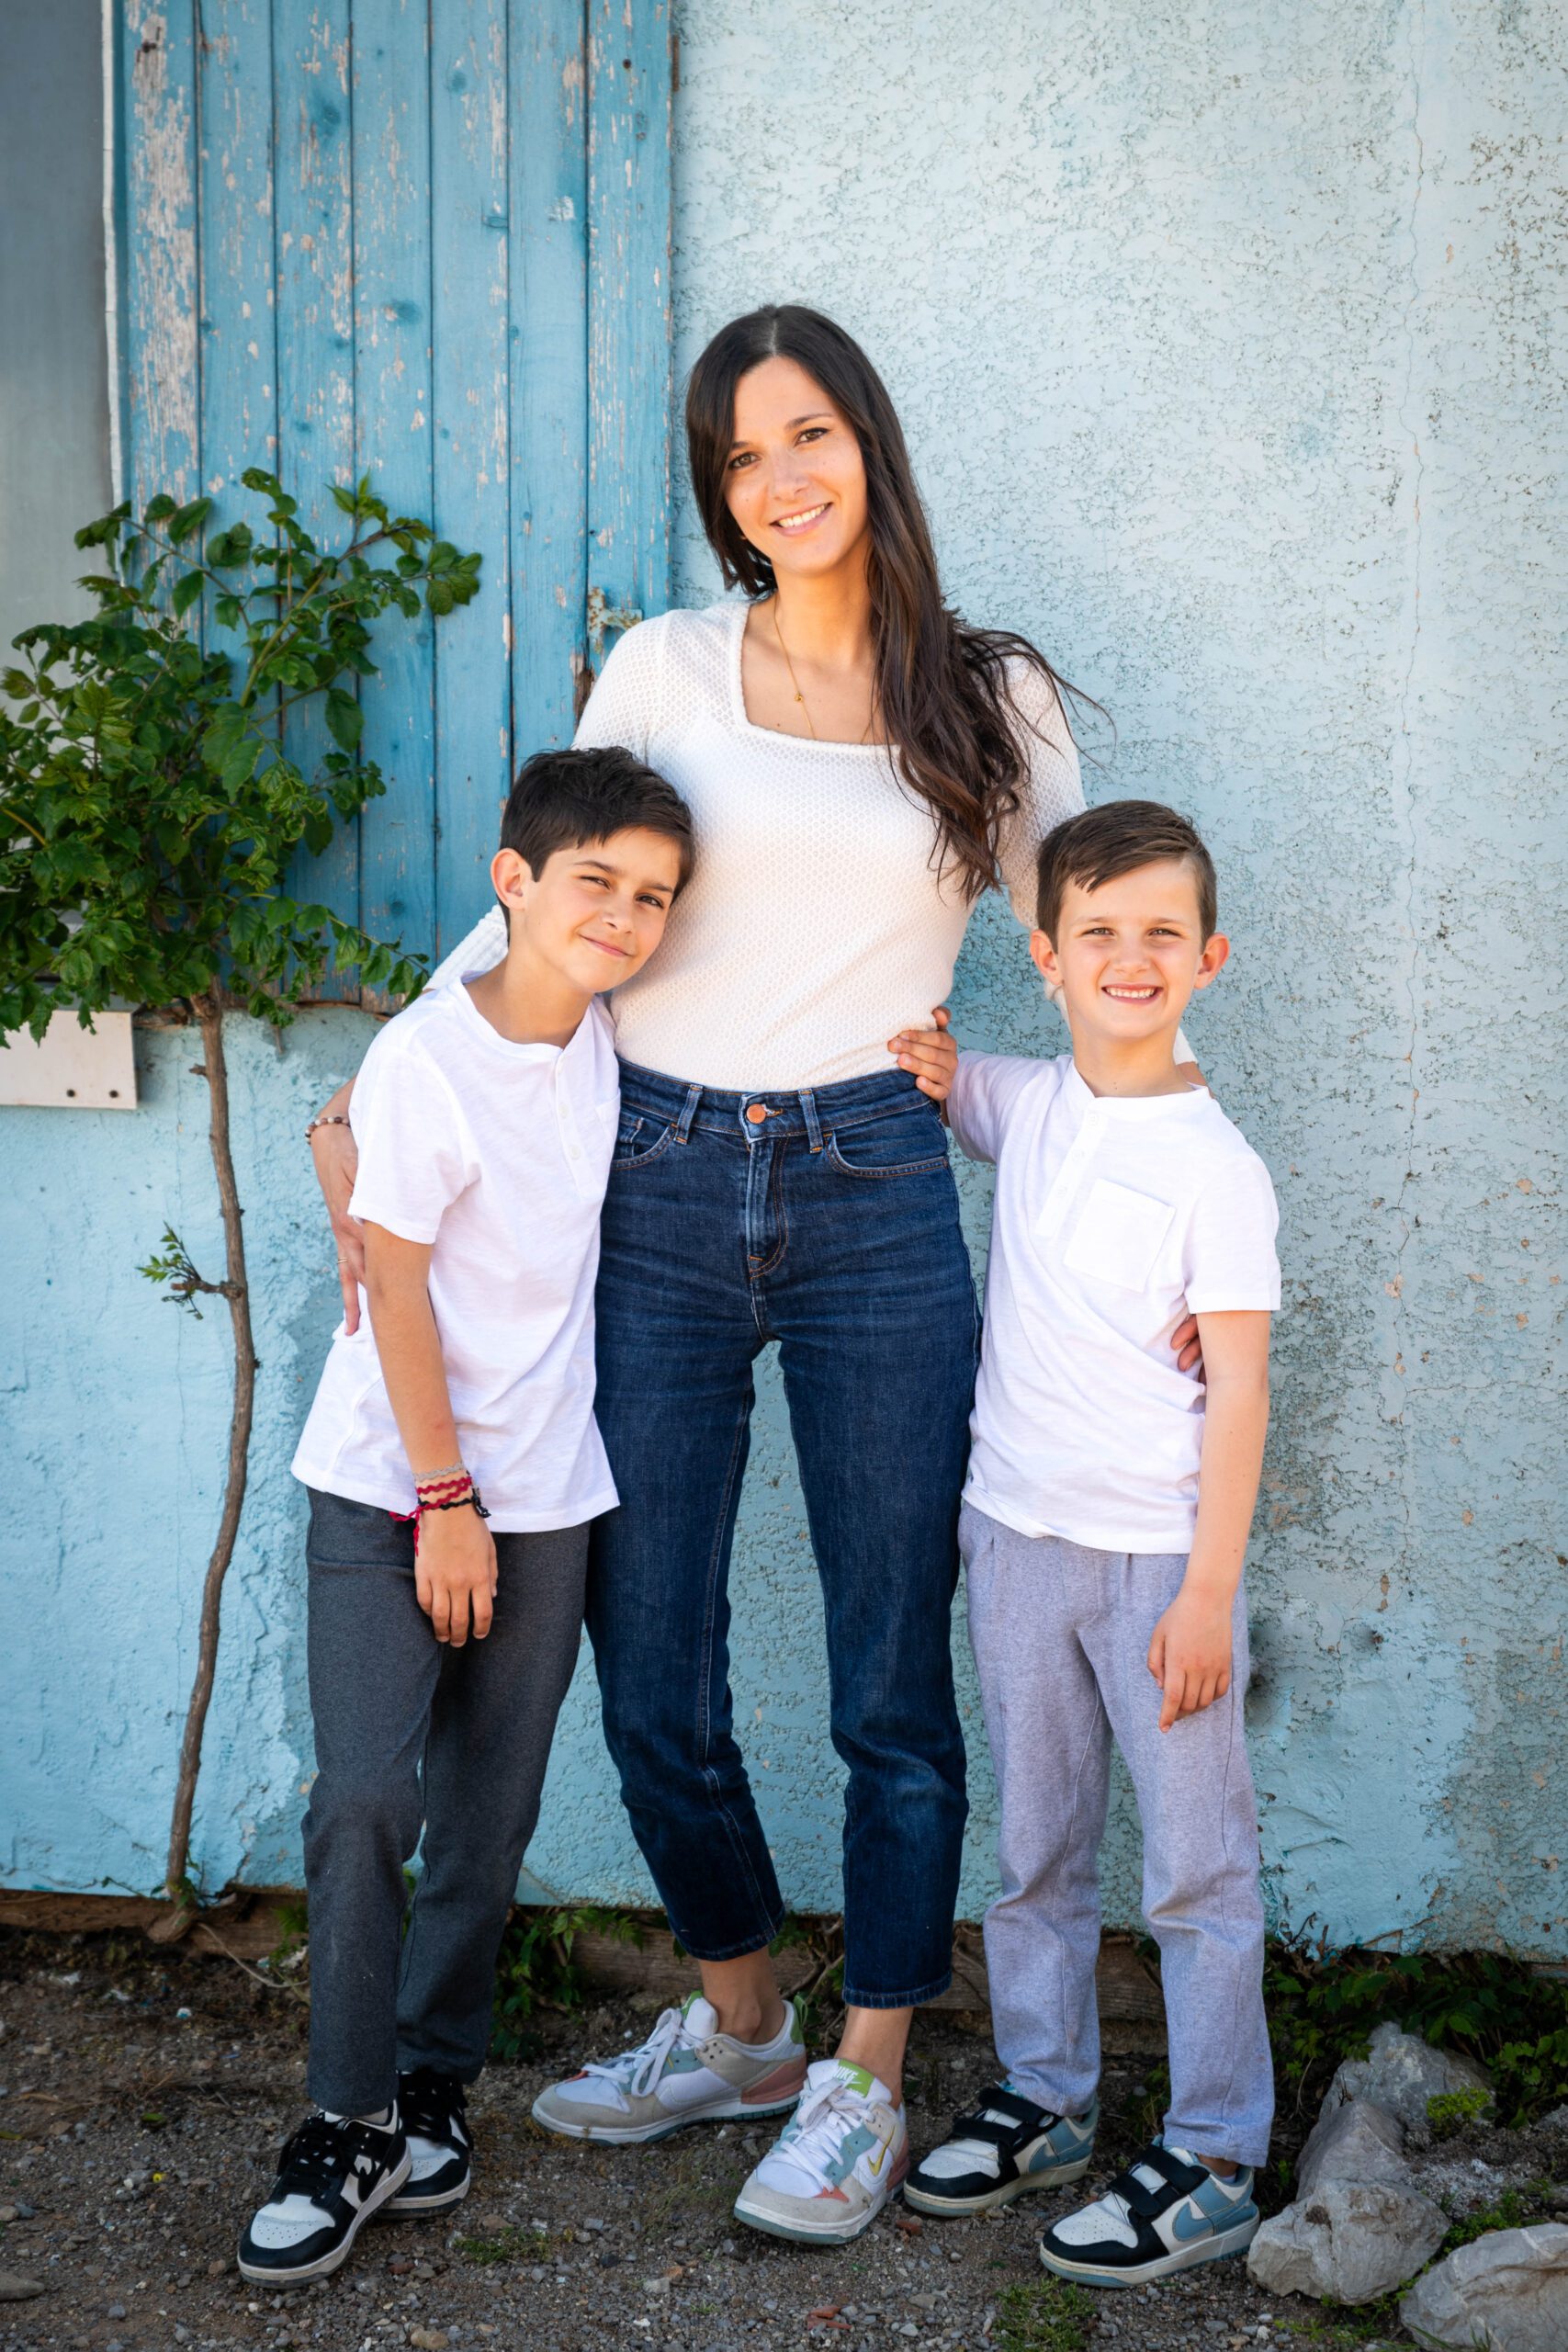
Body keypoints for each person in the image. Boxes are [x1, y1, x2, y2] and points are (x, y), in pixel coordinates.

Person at [310, 305, 1203, 2249]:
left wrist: (1129, 1168)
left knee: (892, 1666)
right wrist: (389, 1083)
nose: (780, 477)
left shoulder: (989, 694)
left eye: (808, 434)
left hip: (878, 1182)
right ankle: (739, 2023)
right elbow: (534, 898)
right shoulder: (665, 663)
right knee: (653, 1665)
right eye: (738, 453)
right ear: (717, 492)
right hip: (652, 1173)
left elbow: (1088, 930)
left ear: (865, 442)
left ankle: (865, 2076)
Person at [238, 748, 694, 2286]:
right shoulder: (439, 1052)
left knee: (488, 1818)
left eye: (653, 898)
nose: (625, 918)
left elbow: (354, 1146)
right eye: (597, 885)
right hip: (394, 1484)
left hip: (551, 1491)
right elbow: (405, 1294)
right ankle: (347, 2118)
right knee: (367, 1798)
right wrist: (444, 1500)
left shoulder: (604, 1033)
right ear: (514, 881)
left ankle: (432, 2081)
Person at [903, 800, 1278, 2287]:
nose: (1131, 959)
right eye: (1100, 934)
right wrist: (929, 1064)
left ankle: (1218, 2150)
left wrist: (1207, 1592)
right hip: (1013, 1542)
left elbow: (1241, 1384)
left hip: (1155, 1572)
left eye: (1161, 936)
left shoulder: (1216, 1166)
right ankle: (1047, 2097)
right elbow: (936, 1078)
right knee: (1035, 1849)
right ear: (1045, 955)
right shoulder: (1026, 1099)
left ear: (1209, 958)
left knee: (1196, 1871)